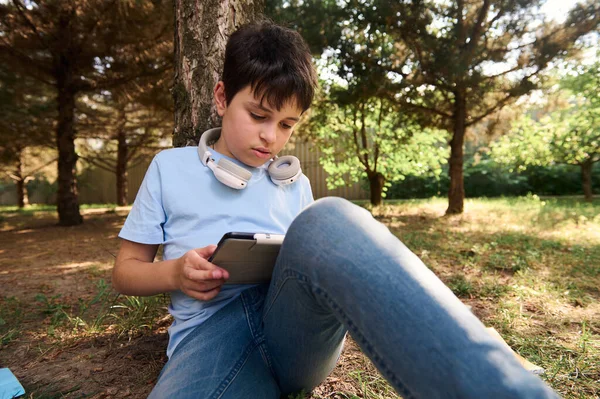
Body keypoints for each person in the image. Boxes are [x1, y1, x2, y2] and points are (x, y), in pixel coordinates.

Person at [112, 20, 560, 399]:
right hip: (209, 338)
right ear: (221, 97)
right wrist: (175, 274)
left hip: (293, 333)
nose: (271, 137)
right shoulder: (169, 169)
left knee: (328, 219)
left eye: (287, 125)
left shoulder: (294, 182)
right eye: (258, 115)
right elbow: (125, 270)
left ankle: (496, 378)